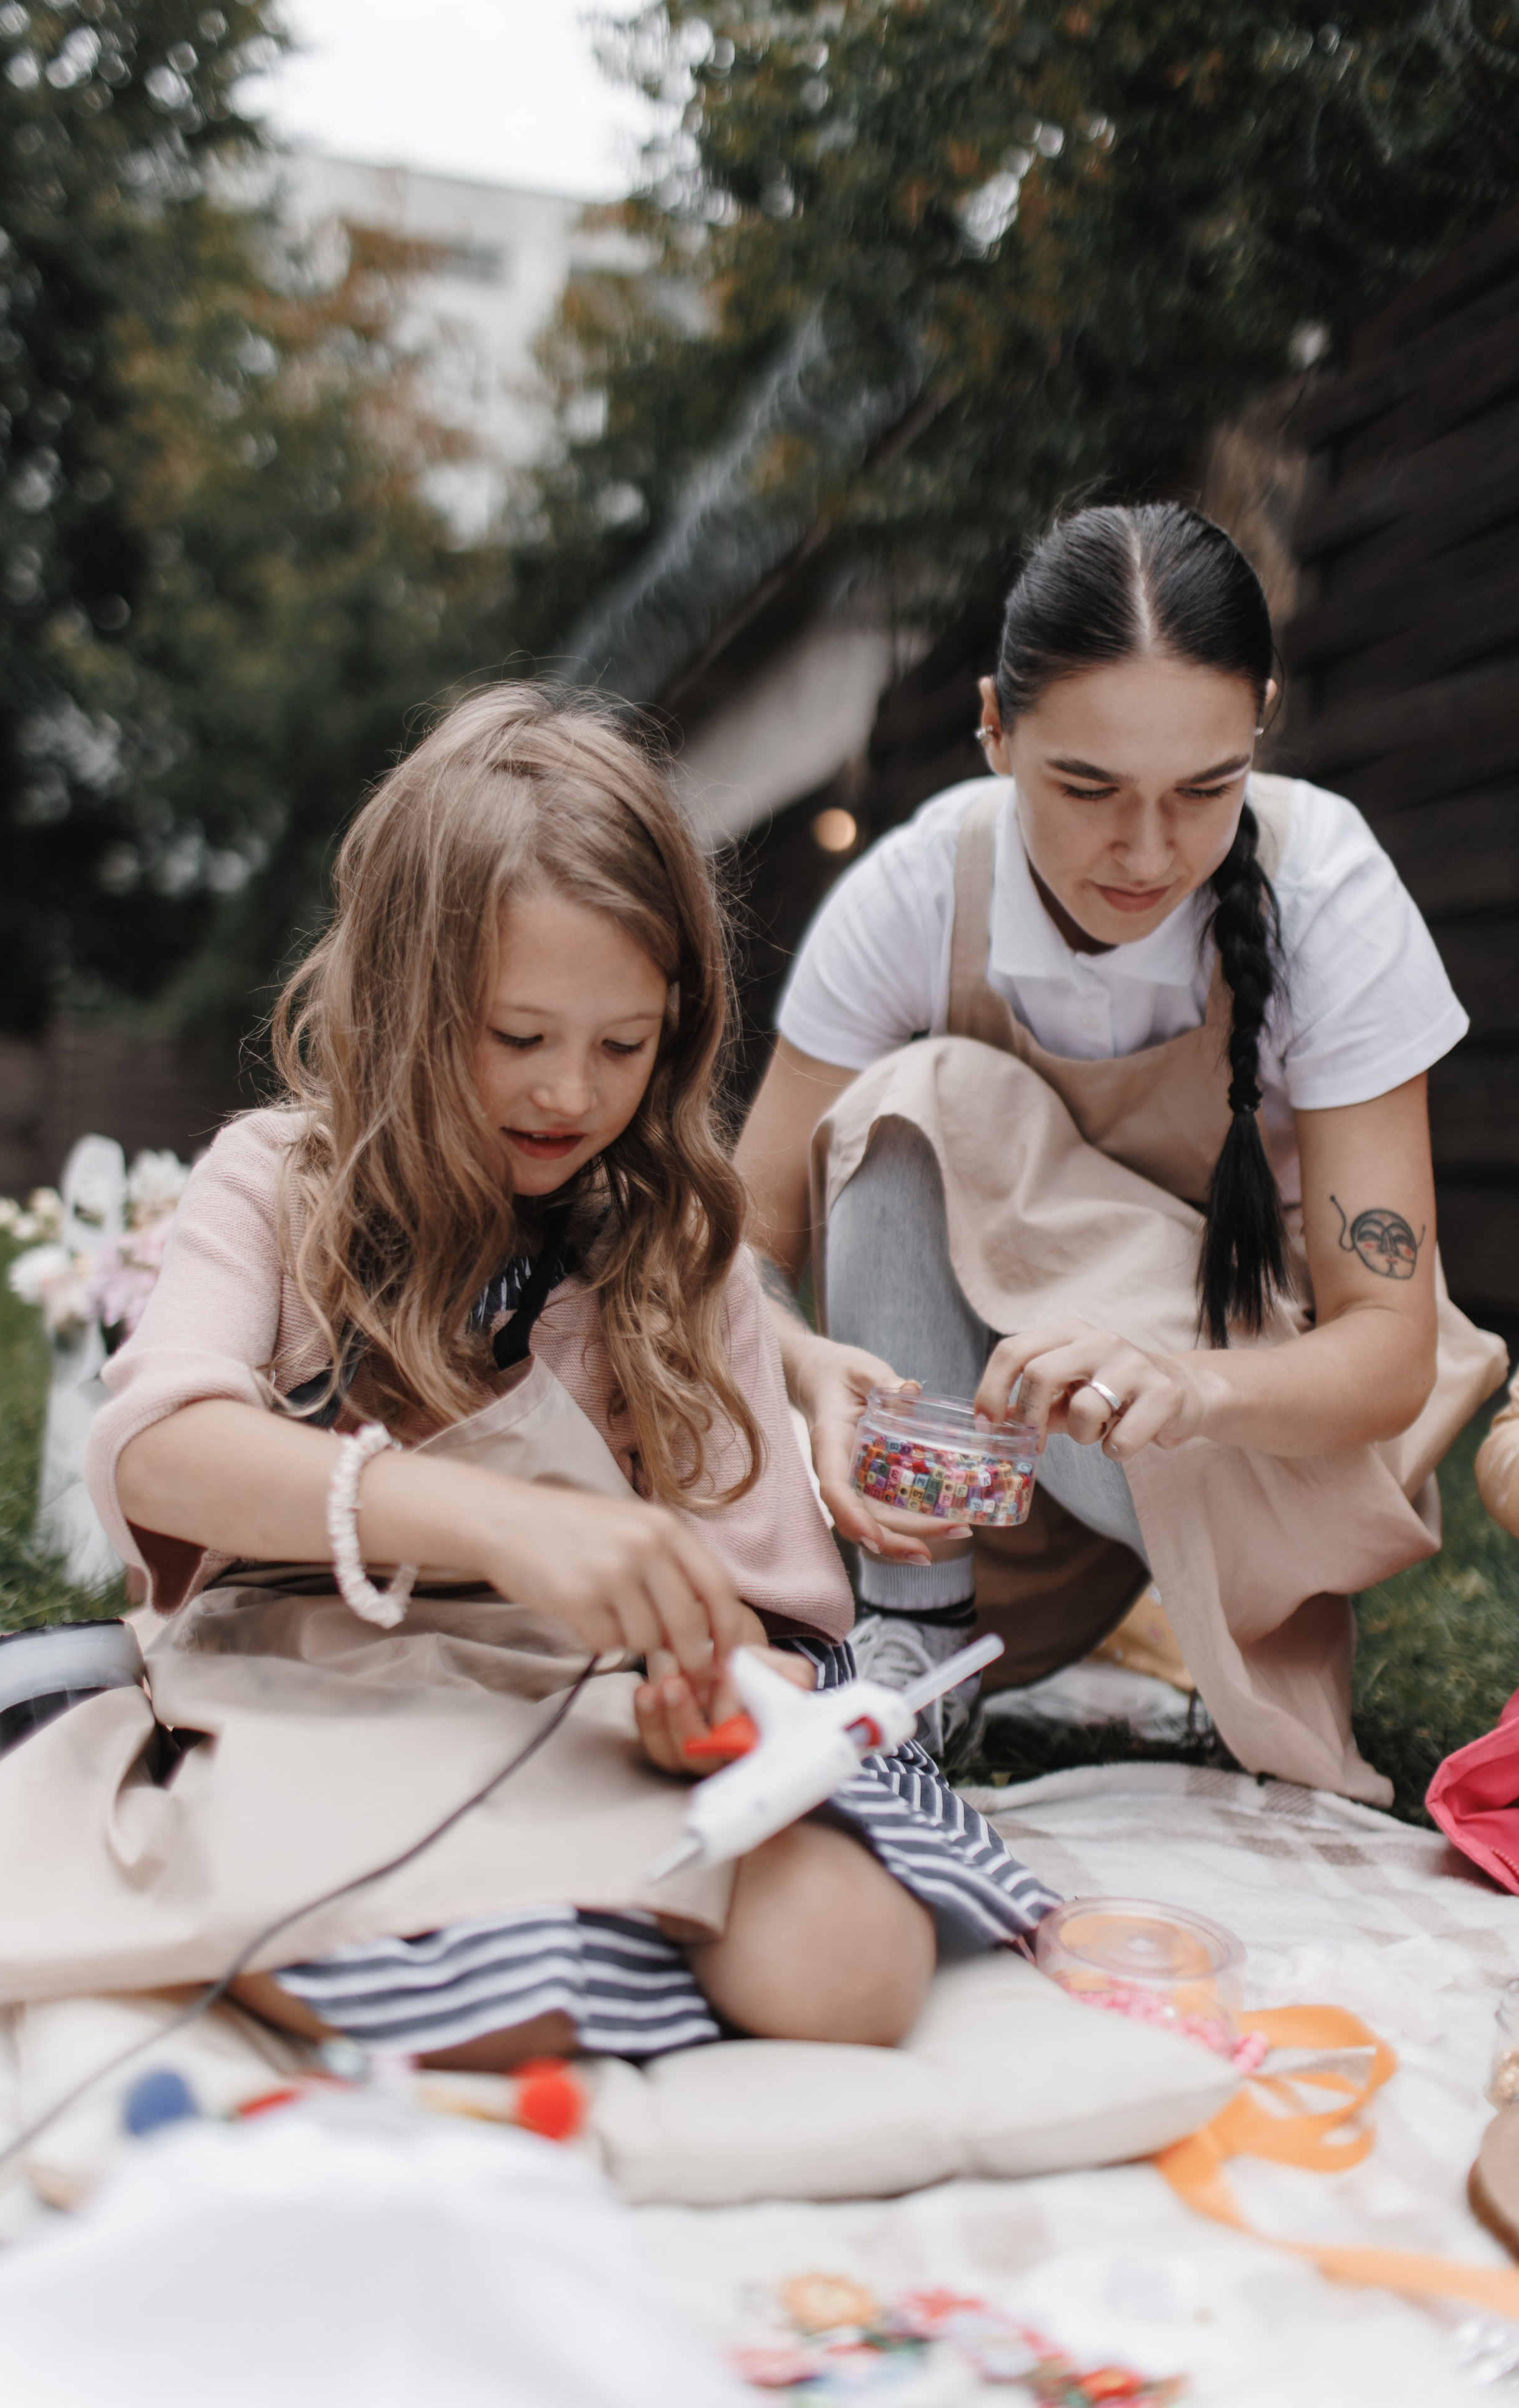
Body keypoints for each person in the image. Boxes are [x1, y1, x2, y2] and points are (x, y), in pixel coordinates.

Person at [75, 685, 1054, 2073]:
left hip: (585, 1719)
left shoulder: (675, 1237)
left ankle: (505, 1963)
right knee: (283, 1914)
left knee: (850, 1970)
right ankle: (527, 1972)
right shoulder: (276, 1185)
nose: (567, 1096)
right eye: (514, 1037)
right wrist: (492, 1521)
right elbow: (157, 1450)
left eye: (621, 1044)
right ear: (401, 1006)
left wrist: (703, 1697)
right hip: (325, 1696)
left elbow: (768, 1624)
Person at [736, 503, 1506, 1802]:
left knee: (932, 1092)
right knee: (907, 1102)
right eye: (1084, 789)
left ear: (1258, 724)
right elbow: (737, 1247)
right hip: (998, 1466)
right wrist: (807, 1367)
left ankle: (1157, 1619)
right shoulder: (916, 894)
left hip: (1256, 1433)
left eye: (1204, 791)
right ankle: (913, 1645)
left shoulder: (1326, 887)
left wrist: (1184, 1384)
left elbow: (1384, 1351)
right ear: (993, 728)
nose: (1146, 854)